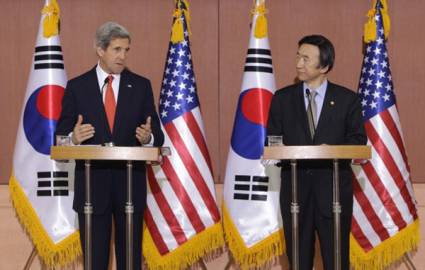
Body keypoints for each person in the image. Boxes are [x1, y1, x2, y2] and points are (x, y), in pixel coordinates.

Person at [55, 21, 164, 269]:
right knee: (94, 261)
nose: (122, 56)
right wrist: (73, 137)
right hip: (92, 188)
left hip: (130, 186)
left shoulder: (140, 85)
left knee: (130, 260)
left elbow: (157, 135)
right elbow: (58, 139)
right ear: (99, 49)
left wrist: (148, 137)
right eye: (116, 49)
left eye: (126, 50)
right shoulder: (77, 87)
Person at [267, 35, 367, 270]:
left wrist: (331, 151)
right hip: (295, 192)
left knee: (336, 260)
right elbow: (273, 141)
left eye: (306, 58)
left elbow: (358, 141)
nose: (298, 63)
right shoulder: (282, 99)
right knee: (298, 260)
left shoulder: (347, 100)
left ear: (324, 66)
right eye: (298, 56)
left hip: (333, 194)